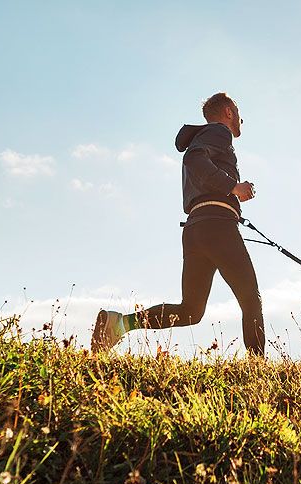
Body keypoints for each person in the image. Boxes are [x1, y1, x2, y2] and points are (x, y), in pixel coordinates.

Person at [90, 92, 265, 356]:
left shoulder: (205, 136)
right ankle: (257, 370)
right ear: (228, 112)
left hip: (196, 229)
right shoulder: (219, 132)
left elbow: (197, 163)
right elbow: (194, 159)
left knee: (191, 311)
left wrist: (232, 192)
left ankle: (120, 323)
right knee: (251, 299)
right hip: (217, 227)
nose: (241, 118)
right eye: (238, 112)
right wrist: (234, 187)